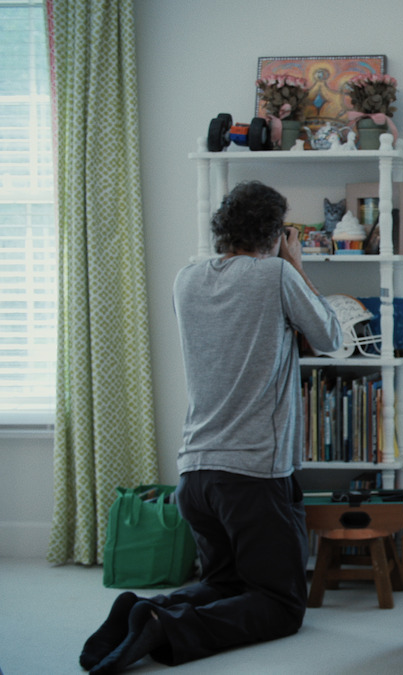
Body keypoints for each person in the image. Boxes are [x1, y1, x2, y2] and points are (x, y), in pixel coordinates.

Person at [79, 181, 342, 674]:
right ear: (273, 234)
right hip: (252, 477)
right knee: (283, 606)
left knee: (225, 584)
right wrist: (296, 266)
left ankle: (149, 609)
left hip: (195, 477)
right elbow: (329, 336)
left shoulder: (186, 279)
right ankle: (165, 626)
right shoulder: (274, 276)